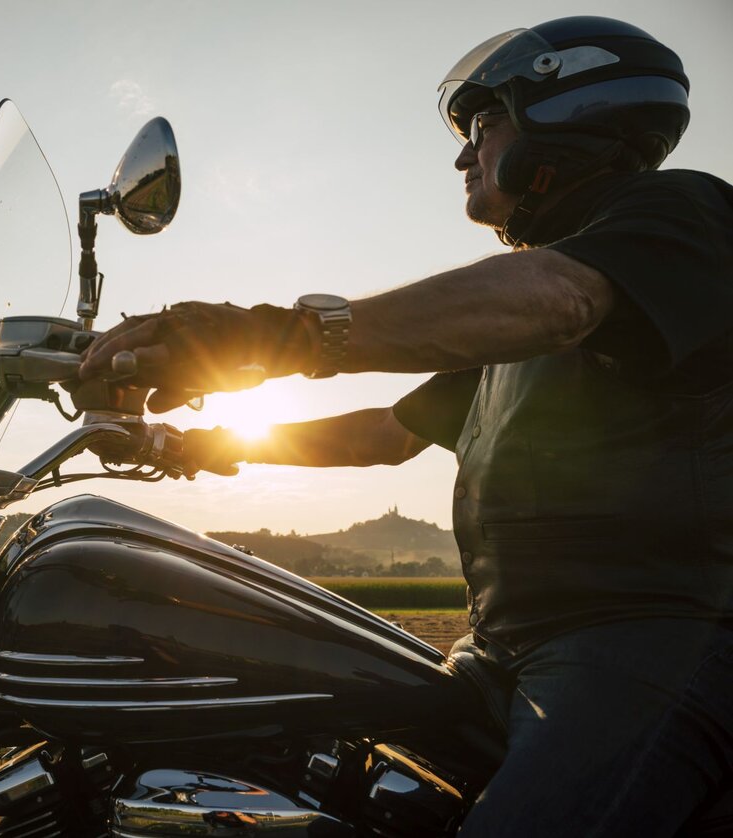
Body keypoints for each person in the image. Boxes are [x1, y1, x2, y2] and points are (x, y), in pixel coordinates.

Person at [78, 16, 733, 837]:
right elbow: (381, 435)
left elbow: (555, 298)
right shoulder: (504, 335)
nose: (463, 155)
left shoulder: (679, 215)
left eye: (484, 124)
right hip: (497, 651)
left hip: (646, 647)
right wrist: (184, 446)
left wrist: (275, 336)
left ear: (568, 110)